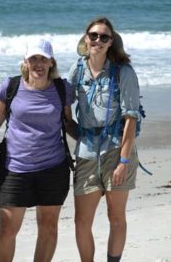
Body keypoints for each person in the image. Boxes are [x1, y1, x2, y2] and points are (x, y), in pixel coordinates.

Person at [0, 40, 75, 262]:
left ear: (51, 62)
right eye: (33, 58)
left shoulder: (62, 89)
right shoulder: (11, 86)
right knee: (7, 230)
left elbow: (69, 123)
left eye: (43, 58)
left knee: (48, 227)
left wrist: (98, 142)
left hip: (53, 168)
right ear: (25, 62)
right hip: (15, 169)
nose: (38, 64)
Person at [68, 17, 141, 262]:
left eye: (104, 37)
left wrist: (124, 161)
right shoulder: (77, 69)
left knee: (116, 216)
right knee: (81, 221)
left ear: (111, 43)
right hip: (87, 153)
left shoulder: (124, 72)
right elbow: (61, 107)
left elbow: (131, 118)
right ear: (85, 38)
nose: (97, 40)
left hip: (116, 150)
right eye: (93, 35)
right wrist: (77, 135)